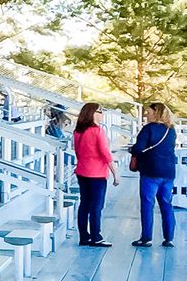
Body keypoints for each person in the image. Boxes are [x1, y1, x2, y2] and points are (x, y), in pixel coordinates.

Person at [129, 101, 178, 247]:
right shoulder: (171, 130)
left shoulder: (148, 129)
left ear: (156, 113)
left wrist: (132, 150)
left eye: (149, 112)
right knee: (166, 204)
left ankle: (146, 238)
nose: (146, 115)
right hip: (168, 172)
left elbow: (138, 148)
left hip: (150, 172)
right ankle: (169, 238)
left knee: (147, 204)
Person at [73, 102, 119, 247]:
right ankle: (96, 236)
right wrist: (115, 173)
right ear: (92, 113)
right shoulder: (98, 131)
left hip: (82, 171)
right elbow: (105, 153)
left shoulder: (78, 131)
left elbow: (78, 151)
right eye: (99, 111)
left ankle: (84, 236)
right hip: (97, 173)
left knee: (84, 204)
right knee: (96, 206)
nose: (102, 114)